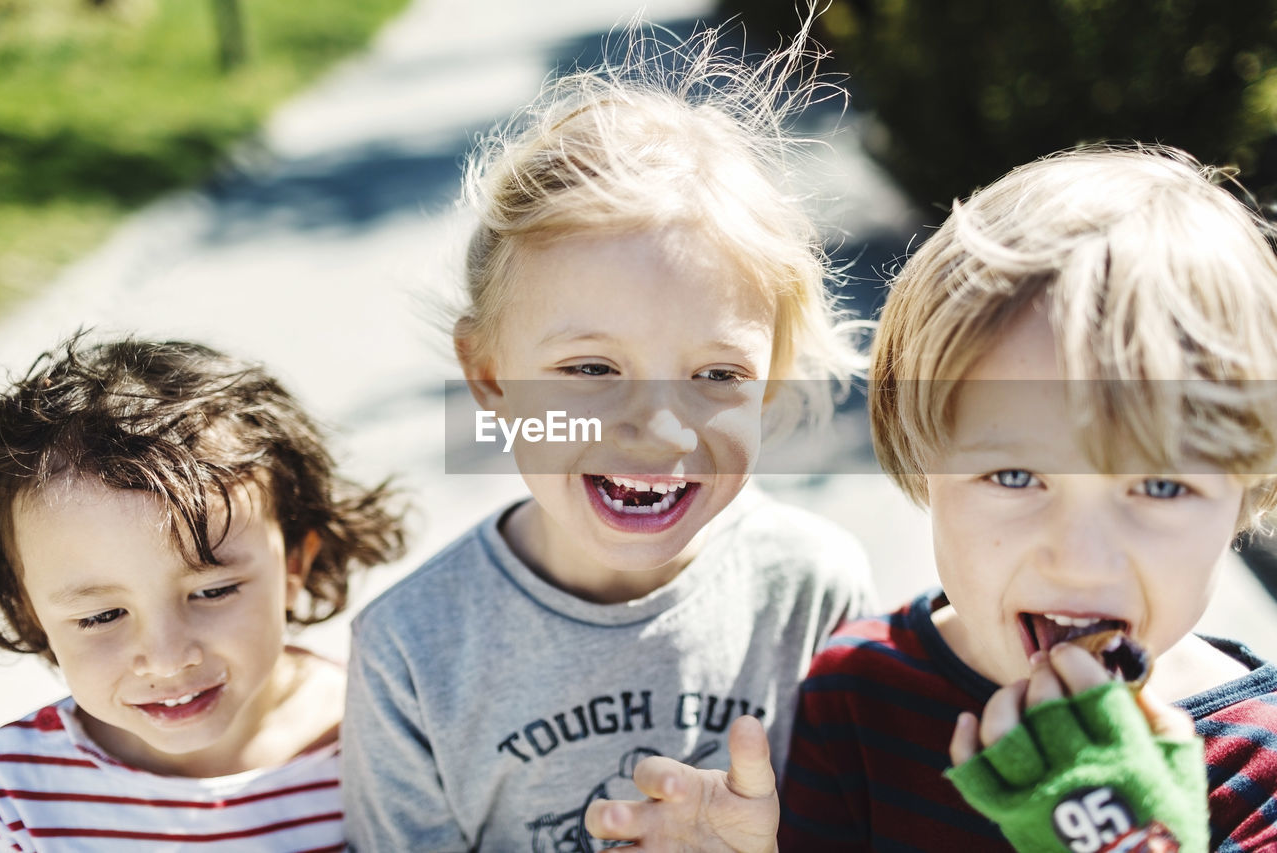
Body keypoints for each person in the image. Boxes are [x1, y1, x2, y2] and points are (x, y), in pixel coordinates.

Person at [582, 145, 1277, 852]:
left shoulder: (1262, 769)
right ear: (925, 457)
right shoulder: (858, 695)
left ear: (1249, 486)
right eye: (1014, 475)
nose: (1078, 557)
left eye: (1159, 486)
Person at [340, 17, 876, 853]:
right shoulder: (412, 655)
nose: (660, 430)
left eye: (717, 377)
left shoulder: (814, 594)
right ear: (488, 377)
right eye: (591, 370)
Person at [0, 335, 405, 852]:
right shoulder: (19, 799)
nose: (168, 660)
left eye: (213, 591)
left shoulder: (391, 736)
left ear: (294, 565)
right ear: (29, 610)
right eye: (101, 616)